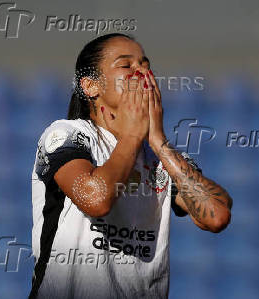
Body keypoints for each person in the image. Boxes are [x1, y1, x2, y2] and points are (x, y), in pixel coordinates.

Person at [29, 33, 233, 299]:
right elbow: (96, 199)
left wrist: (159, 142)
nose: (142, 73)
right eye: (126, 66)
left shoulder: (161, 159)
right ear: (91, 86)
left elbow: (216, 217)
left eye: (146, 66)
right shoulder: (66, 135)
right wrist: (133, 136)